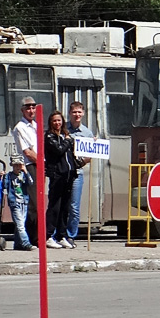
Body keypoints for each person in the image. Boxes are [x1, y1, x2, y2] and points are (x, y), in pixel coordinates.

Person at [44, 110, 77, 249]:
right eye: (54, 121)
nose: (57, 123)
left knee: (65, 207)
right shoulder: (49, 136)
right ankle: (48, 236)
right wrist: (68, 141)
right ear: (51, 123)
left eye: (59, 120)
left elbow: (71, 154)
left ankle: (61, 235)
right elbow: (58, 150)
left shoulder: (65, 135)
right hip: (57, 175)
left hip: (69, 175)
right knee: (54, 207)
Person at [65, 101, 94, 244]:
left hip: (77, 173)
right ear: (70, 113)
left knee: (74, 206)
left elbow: (90, 155)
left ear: (83, 114)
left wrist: (80, 163)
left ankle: (71, 235)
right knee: (62, 204)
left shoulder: (87, 133)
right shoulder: (63, 129)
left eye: (79, 112)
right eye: (74, 112)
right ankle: (59, 234)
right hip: (63, 173)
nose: (77, 115)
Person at [11, 96, 39, 243]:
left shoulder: (36, 125)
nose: (31, 110)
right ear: (22, 110)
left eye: (33, 107)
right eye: (28, 108)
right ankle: (29, 238)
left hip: (39, 165)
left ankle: (32, 236)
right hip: (29, 166)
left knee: (38, 202)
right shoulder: (20, 128)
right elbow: (27, 152)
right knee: (32, 204)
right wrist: (42, 162)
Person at [4, 156, 33, 251]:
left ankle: (17, 244)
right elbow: (4, 186)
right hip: (14, 202)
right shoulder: (9, 176)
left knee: (20, 224)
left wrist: (26, 172)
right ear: (12, 165)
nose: (17, 167)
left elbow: (31, 183)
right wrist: (2, 177)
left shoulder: (23, 175)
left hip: (24, 202)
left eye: (19, 165)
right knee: (20, 224)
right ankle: (26, 243)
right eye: (15, 165)